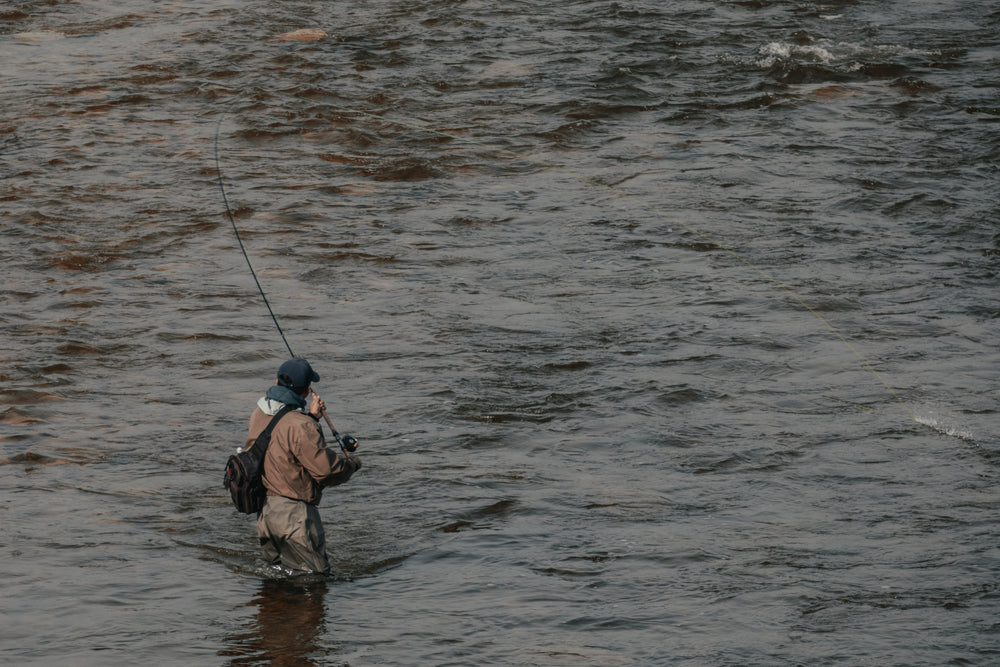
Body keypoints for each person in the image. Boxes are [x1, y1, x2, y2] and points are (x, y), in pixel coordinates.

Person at [246, 357, 362, 575]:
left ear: (276, 381)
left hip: (266, 516)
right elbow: (326, 471)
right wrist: (351, 465)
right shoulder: (302, 425)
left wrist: (311, 417)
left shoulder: (259, 414)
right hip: (295, 519)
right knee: (315, 582)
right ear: (308, 391)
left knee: (277, 579)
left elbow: (283, 441)